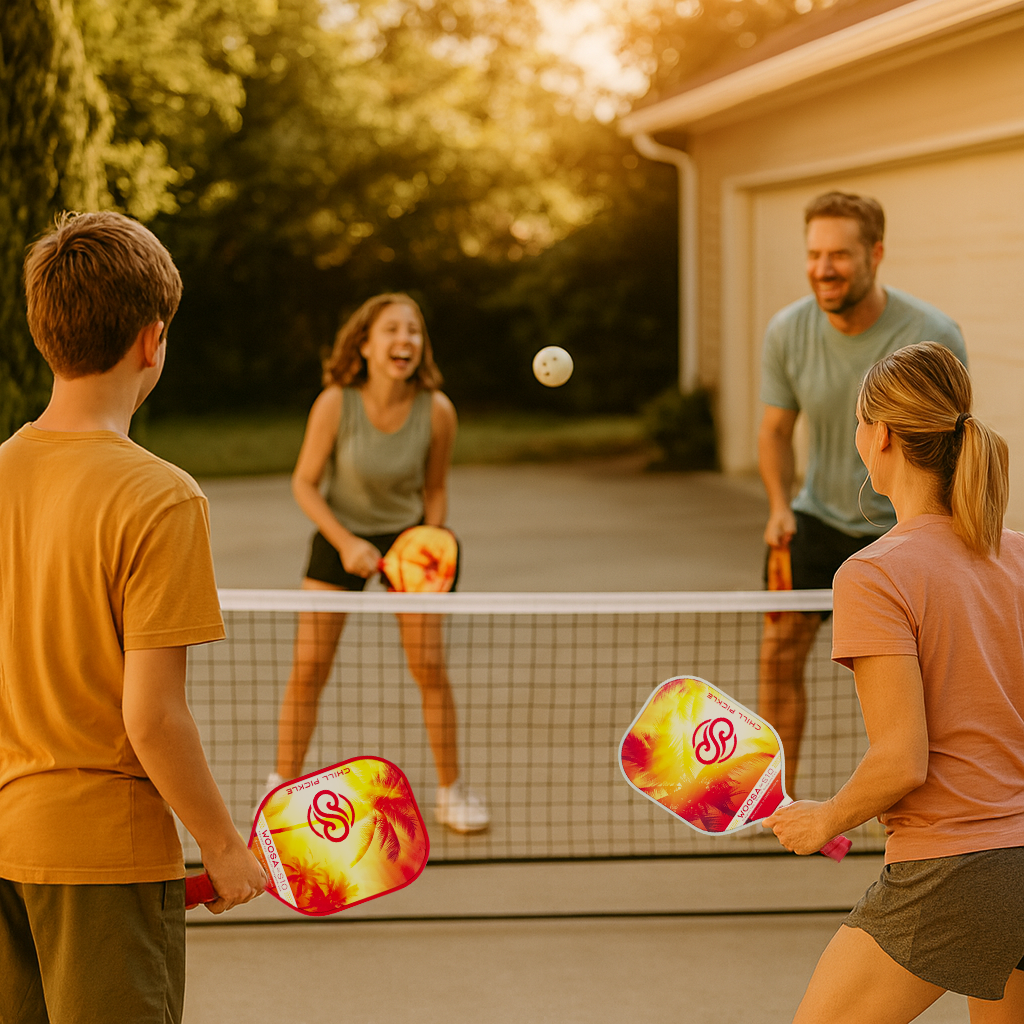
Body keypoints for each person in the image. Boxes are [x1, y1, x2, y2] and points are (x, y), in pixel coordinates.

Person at [0, 212, 266, 1024]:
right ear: (153, 341)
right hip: (104, 861)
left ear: (46, 332)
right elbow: (151, 716)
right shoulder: (163, 496)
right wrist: (223, 848)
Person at [766, 342, 1024, 1022]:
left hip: (954, 869)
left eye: (859, 422)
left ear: (878, 435)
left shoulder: (873, 575)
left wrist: (826, 816)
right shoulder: (1019, 556)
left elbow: (901, 759)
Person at [757, 191, 967, 793]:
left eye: (840, 255)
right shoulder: (787, 331)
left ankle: (923, 794)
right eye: (814, 254)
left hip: (909, 525)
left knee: (928, 675)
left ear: (875, 254)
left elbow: (953, 441)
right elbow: (774, 431)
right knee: (777, 659)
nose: (824, 268)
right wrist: (777, 505)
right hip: (814, 522)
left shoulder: (931, 333)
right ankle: (775, 799)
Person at [268, 293, 489, 833]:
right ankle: (276, 792)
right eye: (391, 330)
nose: (404, 340)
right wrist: (346, 543)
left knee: (430, 669)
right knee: (309, 670)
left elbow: (435, 488)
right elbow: (304, 483)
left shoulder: (437, 410)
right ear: (365, 345)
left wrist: (427, 541)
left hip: (410, 542)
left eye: (413, 331)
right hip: (339, 534)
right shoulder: (335, 403)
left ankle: (450, 793)